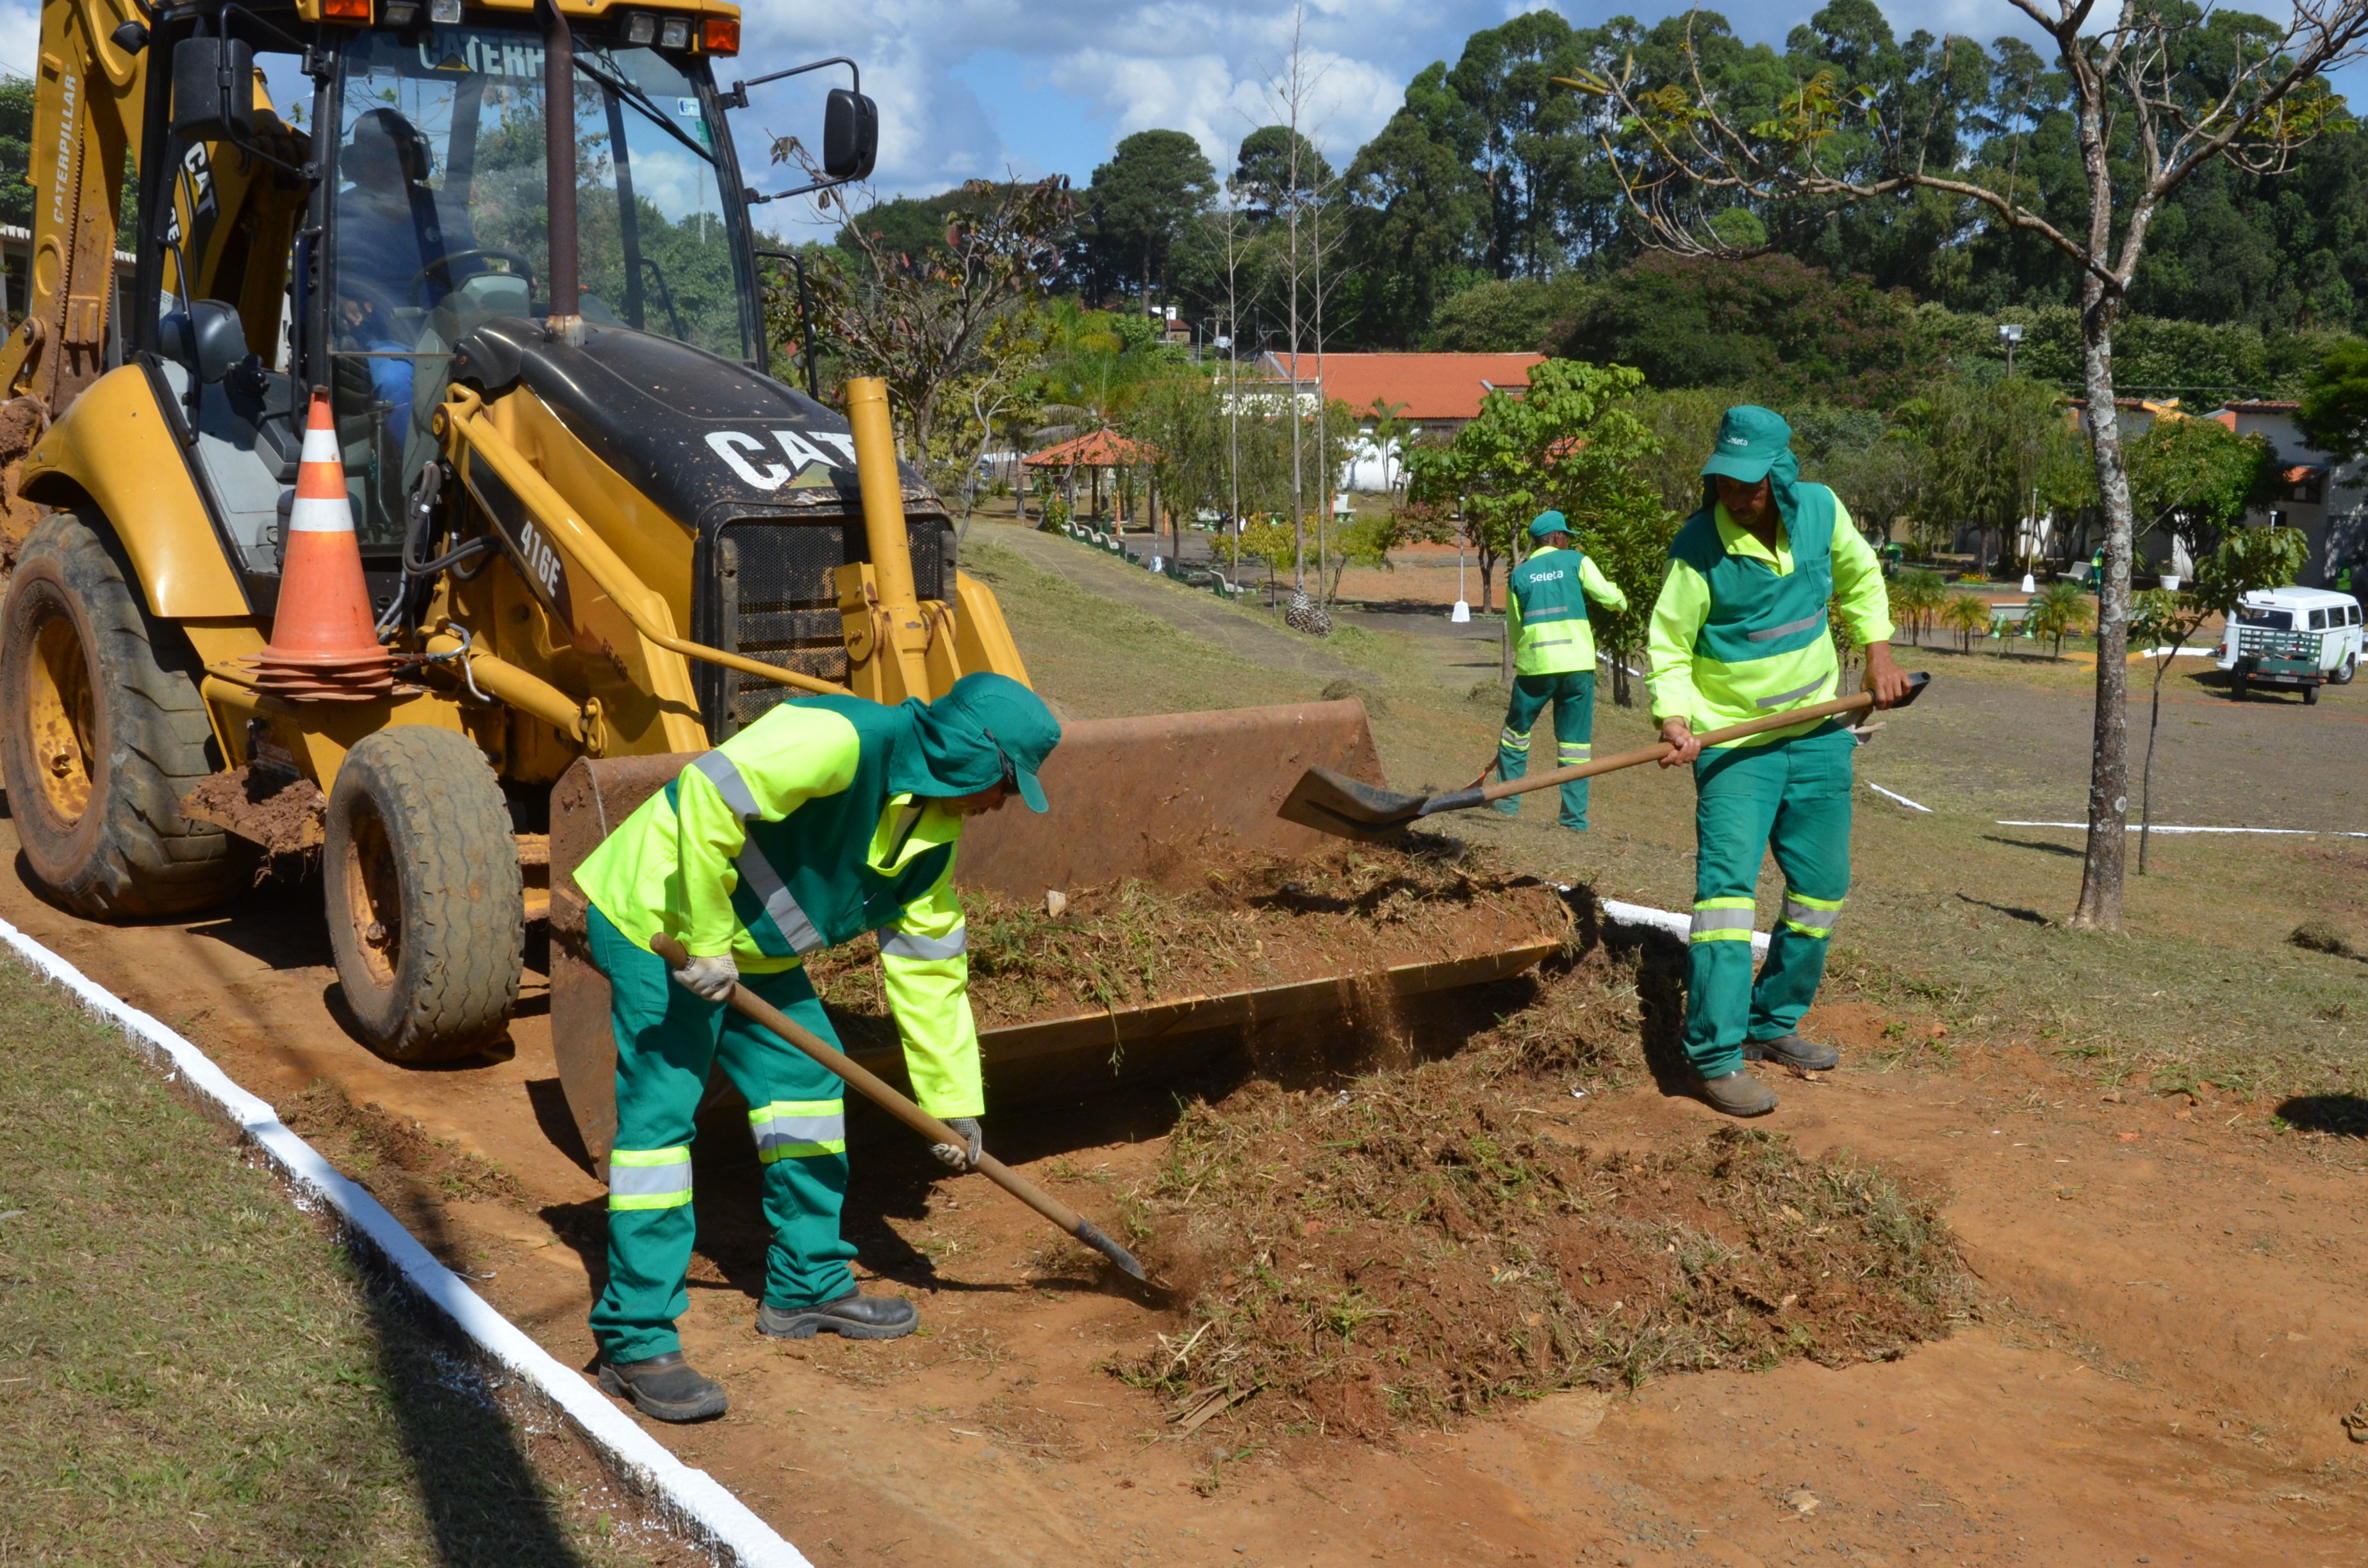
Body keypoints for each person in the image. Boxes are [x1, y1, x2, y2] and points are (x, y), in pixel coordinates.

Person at [570, 672, 1062, 1422]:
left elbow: (931, 974)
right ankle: (636, 1340)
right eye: (1002, 783)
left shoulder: (932, 840)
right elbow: (706, 794)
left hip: (748, 951)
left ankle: (804, 1285)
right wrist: (702, 941)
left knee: (806, 1086)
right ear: (969, 756)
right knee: (661, 1128)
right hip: (660, 917)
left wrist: (955, 1105)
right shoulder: (842, 737)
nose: (999, 803)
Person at [1647, 406, 1912, 1118]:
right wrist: (1675, 718)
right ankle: (1715, 1056)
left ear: (1780, 473)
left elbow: (1860, 580)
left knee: (1822, 889)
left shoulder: (1821, 511)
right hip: (1734, 745)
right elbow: (1670, 644)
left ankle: (1772, 1022)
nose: (1738, 496)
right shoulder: (1699, 548)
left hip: (1818, 729)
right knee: (1727, 900)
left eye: (1751, 484)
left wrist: (1878, 650)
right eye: (1725, 483)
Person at [1495, 510, 1628, 830]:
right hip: (1577, 667)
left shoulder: (1519, 575)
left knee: (1515, 735)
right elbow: (1608, 595)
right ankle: (1573, 819)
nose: (1567, 540)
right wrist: (1621, 604)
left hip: (1536, 668)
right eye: (1566, 535)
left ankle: (1506, 804)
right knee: (1575, 744)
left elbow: (1514, 627)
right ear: (1556, 538)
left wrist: (1526, 656)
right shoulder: (1576, 561)